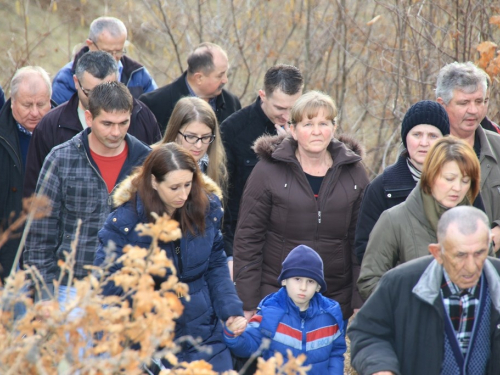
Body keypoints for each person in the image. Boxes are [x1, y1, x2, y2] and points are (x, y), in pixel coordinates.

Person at [94, 143, 243, 372]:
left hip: (204, 330)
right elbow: (109, 291)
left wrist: (230, 310)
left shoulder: (207, 208)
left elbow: (216, 265)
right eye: (174, 187)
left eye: (188, 184)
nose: (183, 195)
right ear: (154, 182)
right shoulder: (125, 223)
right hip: (150, 340)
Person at [233, 90, 369, 322]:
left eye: (324, 123)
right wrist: (247, 301)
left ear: (334, 128)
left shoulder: (354, 173)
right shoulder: (267, 171)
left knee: (326, 358)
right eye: (308, 124)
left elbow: (361, 244)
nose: (317, 131)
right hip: (277, 295)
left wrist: (359, 301)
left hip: (334, 299)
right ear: (293, 130)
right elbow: (248, 239)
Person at [23, 81, 150, 300]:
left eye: (123, 123)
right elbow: (39, 235)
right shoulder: (61, 159)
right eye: (107, 123)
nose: (116, 132)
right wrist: (43, 297)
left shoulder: (146, 162)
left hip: (128, 291)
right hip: (69, 290)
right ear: (89, 118)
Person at [348, 206, 500, 375]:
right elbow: (368, 333)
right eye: (460, 255)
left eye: (480, 253)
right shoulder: (399, 283)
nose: (471, 267)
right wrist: (381, 368)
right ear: (437, 252)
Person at [358, 136, 485, 300]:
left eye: (465, 180)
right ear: (431, 176)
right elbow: (369, 282)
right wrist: (410, 308)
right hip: (413, 322)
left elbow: (490, 279)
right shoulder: (394, 220)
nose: (458, 188)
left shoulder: (477, 223)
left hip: (466, 321)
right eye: (449, 179)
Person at [24, 51, 161, 198]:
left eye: (109, 89)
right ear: (76, 82)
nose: (101, 99)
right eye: (91, 92)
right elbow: (35, 193)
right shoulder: (50, 125)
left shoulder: (141, 116)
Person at [224, 245, 346, 374]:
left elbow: (336, 353)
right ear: (284, 281)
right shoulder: (270, 312)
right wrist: (233, 335)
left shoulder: (330, 315)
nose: (303, 287)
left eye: (310, 281)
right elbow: (250, 345)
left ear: (318, 287)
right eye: (297, 279)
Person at [220, 65, 303, 254]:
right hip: (247, 241)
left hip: (294, 239)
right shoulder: (233, 130)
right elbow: (225, 199)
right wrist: (230, 253)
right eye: (280, 108)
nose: (287, 116)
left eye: (293, 108)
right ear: (263, 95)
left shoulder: (309, 129)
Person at [355, 100, 450, 262]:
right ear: (405, 138)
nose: (424, 143)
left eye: (433, 136)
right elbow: (364, 248)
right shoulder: (382, 187)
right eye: (417, 134)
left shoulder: (460, 183)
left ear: (444, 141)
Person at [436, 61, 500, 253]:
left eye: (479, 102)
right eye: (464, 103)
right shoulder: (422, 151)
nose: (473, 110)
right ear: (442, 104)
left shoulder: (498, 147)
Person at [0, 66, 53, 282]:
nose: (35, 112)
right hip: (8, 255)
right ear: (12, 101)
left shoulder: (66, 132)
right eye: (27, 105)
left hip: (51, 256)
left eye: (41, 104)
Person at [139, 42, 241, 134]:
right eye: (220, 75)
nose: (225, 80)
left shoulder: (232, 103)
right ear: (199, 78)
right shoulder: (152, 105)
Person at [51, 16, 157, 104]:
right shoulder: (66, 78)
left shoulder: (139, 75)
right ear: (90, 45)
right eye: (108, 52)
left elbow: (154, 113)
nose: (114, 58)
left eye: (119, 51)